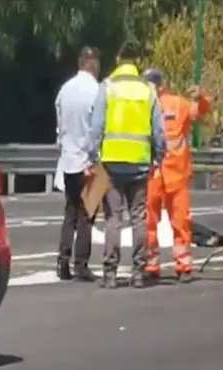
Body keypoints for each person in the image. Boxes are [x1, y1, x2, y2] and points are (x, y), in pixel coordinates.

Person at [87, 41, 166, 289]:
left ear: (119, 59)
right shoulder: (148, 90)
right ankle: (139, 272)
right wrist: (158, 156)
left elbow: (96, 125)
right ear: (136, 62)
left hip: (111, 163)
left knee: (113, 218)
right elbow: (159, 131)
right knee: (139, 218)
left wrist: (92, 156)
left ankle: (110, 272)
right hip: (140, 163)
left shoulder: (107, 87)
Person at [142, 68, 213, 283]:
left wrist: (202, 97)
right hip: (157, 172)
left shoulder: (176, 103)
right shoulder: (144, 105)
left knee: (178, 221)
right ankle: (153, 265)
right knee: (150, 221)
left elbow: (198, 112)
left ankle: (180, 265)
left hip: (171, 172)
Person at [54, 46, 101, 282]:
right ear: (93, 64)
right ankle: (81, 264)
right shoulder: (96, 91)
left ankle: (62, 262)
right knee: (86, 214)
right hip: (86, 162)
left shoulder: (65, 90)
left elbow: (59, 128)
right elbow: (97, 130)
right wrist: (95, 160)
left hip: (68, 161)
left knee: (70, 212)